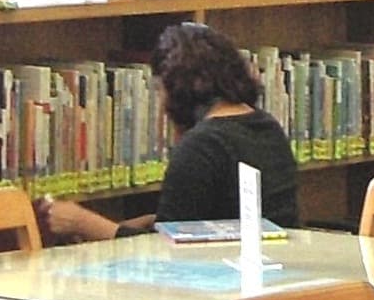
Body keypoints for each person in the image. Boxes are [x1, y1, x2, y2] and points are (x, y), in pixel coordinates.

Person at [37, 22, 302, 244]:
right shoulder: (267, 127)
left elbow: (169, 249)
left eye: (160, 88)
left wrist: (83, 222)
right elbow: (217, 217)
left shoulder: (202, 146)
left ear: (177, 86)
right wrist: (153, 221)